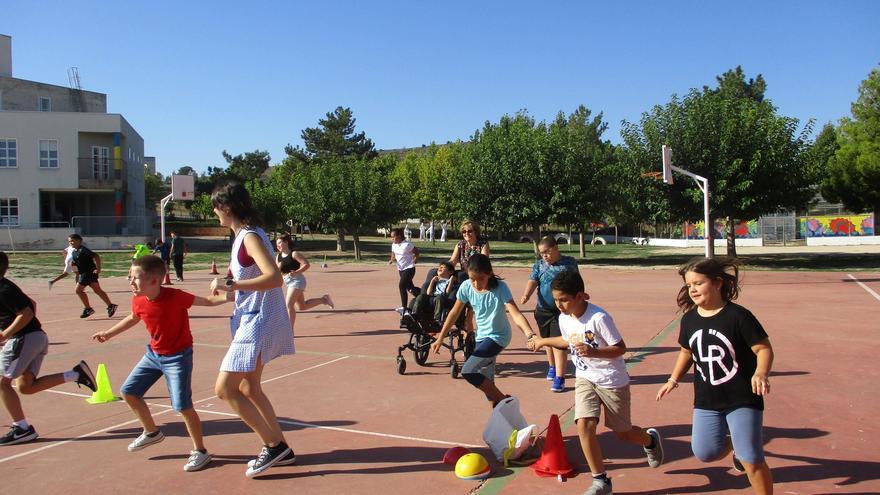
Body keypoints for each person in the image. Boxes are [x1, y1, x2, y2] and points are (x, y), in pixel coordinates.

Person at [529, 271, 663, 495]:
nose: (559, 305)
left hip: (611, 380)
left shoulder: (598, 318)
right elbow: (566, 340)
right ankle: (601, 481)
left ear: (580, 296)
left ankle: (650, 440)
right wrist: (543, 341)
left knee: (623, 433)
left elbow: (620, 348)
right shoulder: (564, 318)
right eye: (556, 299)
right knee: (584, 425)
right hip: (585, 378)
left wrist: (594, 351)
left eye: (564, 299)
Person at [91, 255, 228, 472]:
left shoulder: (175, 296)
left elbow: (208, 301)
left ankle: (200, 452)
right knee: (129, 391)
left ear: (155, 280)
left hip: (178, 357)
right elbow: (133, 318)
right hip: (153, 355)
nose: (130, 282)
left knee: (182, 406)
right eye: (130, 277)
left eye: (135, 278)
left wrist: (229, 296)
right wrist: (108, 333)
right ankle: (152, 432)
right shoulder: (138, 299)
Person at [656, 257, 774, 495]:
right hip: (707, 398)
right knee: (705, 452)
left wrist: (761, 373)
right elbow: (686, 351)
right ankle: (735, 444)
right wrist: (673, 379)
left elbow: (763, 349)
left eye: (698, 283)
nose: (693, 290)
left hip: (742, 397)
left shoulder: (739, 316)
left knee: (752, 458)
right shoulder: (689, 319)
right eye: (689, 285)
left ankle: (745, 454)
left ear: (717, 283)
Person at [208, 182, 296, 478]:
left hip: (258, 321)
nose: (214, 212)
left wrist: (232, 284)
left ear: (227, 207)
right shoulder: (245, 237)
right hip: (253, 316)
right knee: (248, 387)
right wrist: (226, 293)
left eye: (216, 206)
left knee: (225, 389)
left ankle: (272, 445)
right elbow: (252, 282)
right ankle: (280, 446)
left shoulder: (248, 237)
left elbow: (274, 278)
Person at [0, 250, 98, 446]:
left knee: (2, 383)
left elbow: (26, 313)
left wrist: (5, 334)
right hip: (34, 338)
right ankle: (75, 374)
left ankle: (22, 429)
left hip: (24, 338)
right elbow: (32, 305)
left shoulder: (3, 289)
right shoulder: (6, 287)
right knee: (25, 387)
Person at [430, 254, 535, 407]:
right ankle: (502, 417)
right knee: (488, 388)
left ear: (489, 274)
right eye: (473, 279)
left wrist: (530, 334)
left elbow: (515, 313)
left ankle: (505, 401)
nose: (476, 284)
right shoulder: (466, 286)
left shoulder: (500, 288)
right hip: (481, 337)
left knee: (468, 370)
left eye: (481, 279)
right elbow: (454, 313)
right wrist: (440, 338)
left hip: (499, 336)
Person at [520, 235, 579, 392]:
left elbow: (577, 282)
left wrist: (579, 298)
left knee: (559, 343)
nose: (544, 256)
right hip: (542, 310)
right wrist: (527, 294)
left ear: (555, 248)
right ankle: (552, 366)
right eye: (541, 253)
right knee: (547, 340)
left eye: (547, 252)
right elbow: (532, 281)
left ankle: (560, 377)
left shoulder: (569, 263)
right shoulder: (539, 265)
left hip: (562, 311)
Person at [275, 234, 334, 333]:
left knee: (288, 304)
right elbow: (277, 271)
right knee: (302, 306)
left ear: (286, 242)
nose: (278, 245)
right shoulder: (278, 257)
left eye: (280, 242)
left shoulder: (294, 254)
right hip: (288, 281)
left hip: (297, 280)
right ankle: (324, 299)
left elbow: (306, 264)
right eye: (277, 244)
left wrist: (296, 272)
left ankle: (290, 331)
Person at [68, 234, 118, 319]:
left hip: (88, 273)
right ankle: (111, 305)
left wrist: (98, 269)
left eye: (73, 240)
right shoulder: (74, 252)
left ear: (79, 241)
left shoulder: (83, 250)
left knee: (78, 290)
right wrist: (74, 267)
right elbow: (76, 262)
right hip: (85, 273)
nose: (71, 243)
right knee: (97, 290)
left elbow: (96, 256)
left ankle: (88, 309)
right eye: (69, 241)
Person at [388, 227, 420, 316]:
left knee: (401, 285)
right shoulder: (394, 245)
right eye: (391, 237)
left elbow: (416, 251)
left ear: (399, 236)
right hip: (401, 269)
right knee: (410, 288)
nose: (392, 239)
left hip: (409, 268)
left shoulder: (407, 245)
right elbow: (393, 253)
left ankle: (404, 308)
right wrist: (392, 259)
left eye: (393, 237)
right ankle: (422, 297)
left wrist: (415, 259)